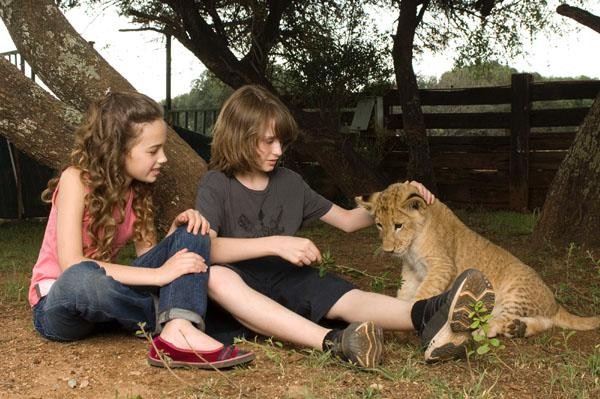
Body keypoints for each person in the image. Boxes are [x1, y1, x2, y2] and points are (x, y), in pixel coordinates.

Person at [196, 85, 496, 367]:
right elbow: (205, 248)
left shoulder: (290, 182)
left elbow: (349, 220)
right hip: (239, 285)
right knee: (217, 277)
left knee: (341, 295)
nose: (278, 151)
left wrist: (401, 196)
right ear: (239, 136)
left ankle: (432, 312)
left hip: (286, 279)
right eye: (268, 141)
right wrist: (276, 243)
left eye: (281, 142)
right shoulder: (216, 184)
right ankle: (337, 342)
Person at [28, 90, 254, 370]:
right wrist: (161, 274)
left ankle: (178, 329)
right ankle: (186, 318)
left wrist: (175, 236)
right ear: (118, 148)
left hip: (112, 297)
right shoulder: (75, 178)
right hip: (60, 301)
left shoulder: (137, 190)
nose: (163, 159)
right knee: (82, 279)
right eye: (152, 150)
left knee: (194, 230)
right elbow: (71, 264)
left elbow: (148, 260)